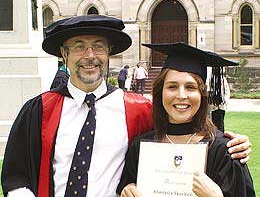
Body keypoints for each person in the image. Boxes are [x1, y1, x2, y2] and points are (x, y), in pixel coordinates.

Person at [0, 15, 251, 197]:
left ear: (109, 53)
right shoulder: (39, 110)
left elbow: (182, 133)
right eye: (79, 47)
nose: (90, 55)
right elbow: (16, 175)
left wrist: (234, 144)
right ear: (64, 55)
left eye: (98, 46)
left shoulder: (137, 109)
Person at [117, 42, 255, 197]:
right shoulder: (140, 148)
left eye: (190, 87)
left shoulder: (224, 152)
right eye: (172, 87)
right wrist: (127, 190)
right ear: (160, 92)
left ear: (202, 95)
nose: (181, 95)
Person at [208, 66, 230, 132]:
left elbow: (225, 94)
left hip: (218, 107)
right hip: (212, 107)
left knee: (218, 128)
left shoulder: (222, 80)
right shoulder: (210, 78)